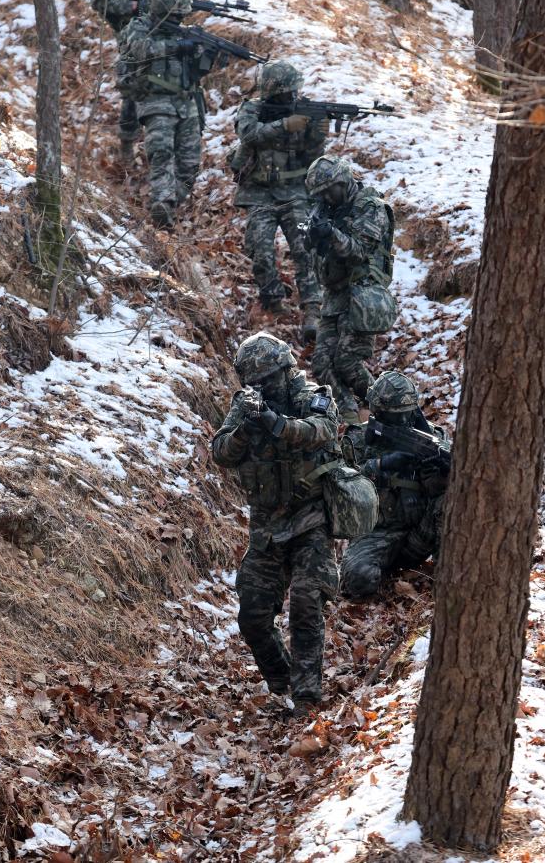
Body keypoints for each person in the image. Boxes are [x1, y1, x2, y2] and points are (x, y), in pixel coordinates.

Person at [211, 332, 339, 717]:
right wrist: (246, 430)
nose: (261, 388)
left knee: (305, 602)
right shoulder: (247, 405)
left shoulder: (311, 396)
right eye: (254, 383)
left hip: (310, 523)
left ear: (284, 370)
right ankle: (283, 681)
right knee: (252, 615)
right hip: (267, 530)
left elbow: (322, 430)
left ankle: (306, 698)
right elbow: (220, 451)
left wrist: (277, 423)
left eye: (267, 380)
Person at [90, 0, 202, 164]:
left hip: (164, 32)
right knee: (132, 86)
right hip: (130, 33)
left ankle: (169, 145)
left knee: (176, 80)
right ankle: (127, 143)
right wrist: (134, 6)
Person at [231, 61, 326, 344]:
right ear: (276, 89)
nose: (295, 95)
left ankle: (313, 311)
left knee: (305, 249)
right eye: (290, 89)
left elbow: (313, 154)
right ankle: (272, 300)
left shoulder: (304, 109)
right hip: (259, 191)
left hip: (296, 190)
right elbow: (248, 134)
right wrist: (285, 125)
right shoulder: (252, 109)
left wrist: (318, 131)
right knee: (259, 249)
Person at [340, 370, 451, 599]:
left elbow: (455, 489)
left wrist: (435, 475)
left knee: (450, 501)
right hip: (376, 534)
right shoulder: (358, 440)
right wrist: (381, 465)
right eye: (394, 416)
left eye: (406, 414)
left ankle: (448, 578)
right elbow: (343, 486)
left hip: (422, 532)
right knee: (357, 580)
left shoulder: (432, 438)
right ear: (377, 412)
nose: (402, 421)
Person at [304, 156, 397, 427]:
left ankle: (393, 409)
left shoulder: (371, 207)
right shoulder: (328, 208)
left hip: (363, 296)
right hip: (335, 295)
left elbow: (358, 252)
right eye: (319, 194)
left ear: (342, 182)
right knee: (322, 363)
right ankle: (349, 420)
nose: (325, 198)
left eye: (327, 191)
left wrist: (330, 233)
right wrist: (315, 237)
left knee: (346, 362)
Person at [120, 0, 204, 229]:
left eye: (181, 16)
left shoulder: (183, 32)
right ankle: (162, 204)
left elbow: (199, 72)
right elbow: (141, 49)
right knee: (162, 153)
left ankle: (168, 202)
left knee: (189, 167)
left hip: (186, 103)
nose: (179, 20)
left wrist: (202, 52)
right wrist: (177, 46)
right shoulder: (139, 27)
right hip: (154, 101)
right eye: (175, 15)